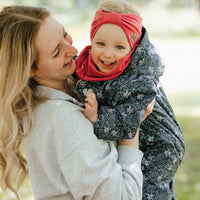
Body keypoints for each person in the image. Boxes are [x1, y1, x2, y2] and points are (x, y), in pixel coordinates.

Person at [0, 5, 156, 200]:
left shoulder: (68, 90)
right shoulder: (63, 119)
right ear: (28, 69)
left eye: (64, 34)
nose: (73, 49)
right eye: (57, 51)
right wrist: (131, 126)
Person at [75, 1, 185, 200]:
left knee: (148, 192)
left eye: (119, 47)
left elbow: (129, 122)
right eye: (100, 44)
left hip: (161, 147)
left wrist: (97, 116)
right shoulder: (89, 62)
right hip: (144, 140)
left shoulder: (141, 82)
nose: (108, 54)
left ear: (132, 49)